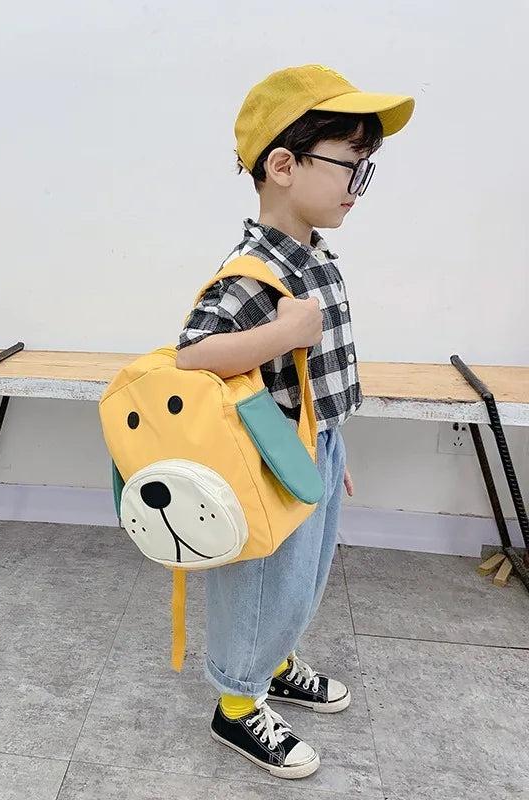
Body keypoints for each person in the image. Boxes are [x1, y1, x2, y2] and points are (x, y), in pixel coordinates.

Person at [175, 64, 414, 780]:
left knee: (299, 578)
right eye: (350, 166)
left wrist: (334, 450)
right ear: (283, 165)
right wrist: (280, 334)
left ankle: (274, 661)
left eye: (364, 170)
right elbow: (192, 356)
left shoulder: (312, 256)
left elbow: (315, 378)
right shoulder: (254, 271)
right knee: (258, 579)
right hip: (269, 460)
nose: (356, 187)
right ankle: (236, 704)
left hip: (313, 448)